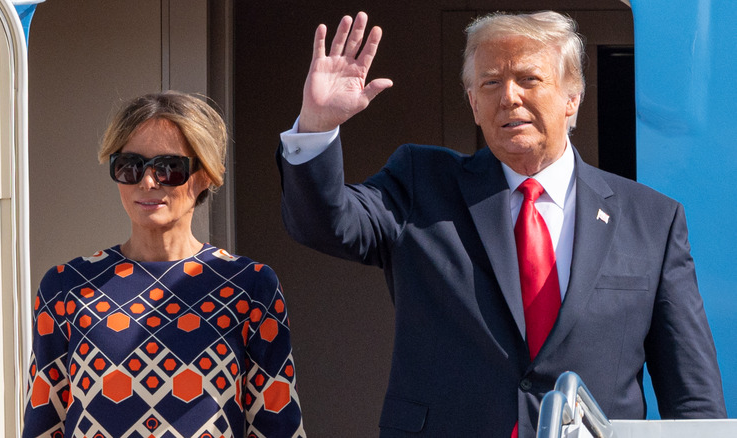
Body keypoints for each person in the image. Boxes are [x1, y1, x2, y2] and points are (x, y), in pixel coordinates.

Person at [276, 11, 725, 437]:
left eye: (529, 79)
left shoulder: (651, 219)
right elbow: (326, 223)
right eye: (491, 83)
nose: (509, 96)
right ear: (473, 104)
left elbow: (692, 395)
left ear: (573, 98)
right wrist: (316, 125)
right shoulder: (422, 184)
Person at [23, 91, 306, 438]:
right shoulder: (66, 287)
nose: (147, 181)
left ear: (205, 175)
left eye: (169, 168)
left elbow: (277, 426)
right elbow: (42, 425)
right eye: (130, 166)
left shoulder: (250, 286)